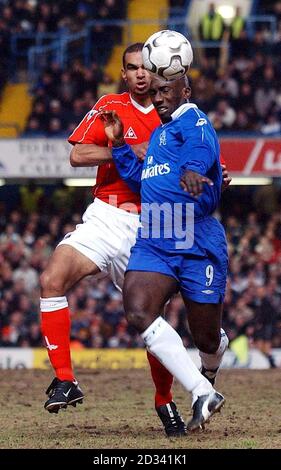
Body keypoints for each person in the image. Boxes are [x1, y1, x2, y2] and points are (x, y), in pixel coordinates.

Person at [40, 43, 186, 437]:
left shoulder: (173, 114)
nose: (140, 74)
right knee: (51, 280)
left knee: (152, 321)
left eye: (145, 68)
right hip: (105, 214)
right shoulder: (110, 106)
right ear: (124, 74)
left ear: (157, 73)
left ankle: (164, 401)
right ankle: (66, 379)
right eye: (132, 68)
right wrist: (121, 148)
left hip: (151, 224)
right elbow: (77, 156)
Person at [101, 73, 229, 431]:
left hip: (194, 233)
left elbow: (202, 149)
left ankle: (211, 365)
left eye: (165, 91)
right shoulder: (158, 135)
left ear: (184, 91)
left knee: (205, 337)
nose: (157, 98)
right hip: (156, 233)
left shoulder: (194, 119)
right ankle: (202, 391)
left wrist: (193, 170)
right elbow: (142, 177)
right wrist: (118, 146)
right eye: (154, 93)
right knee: (138, 308)